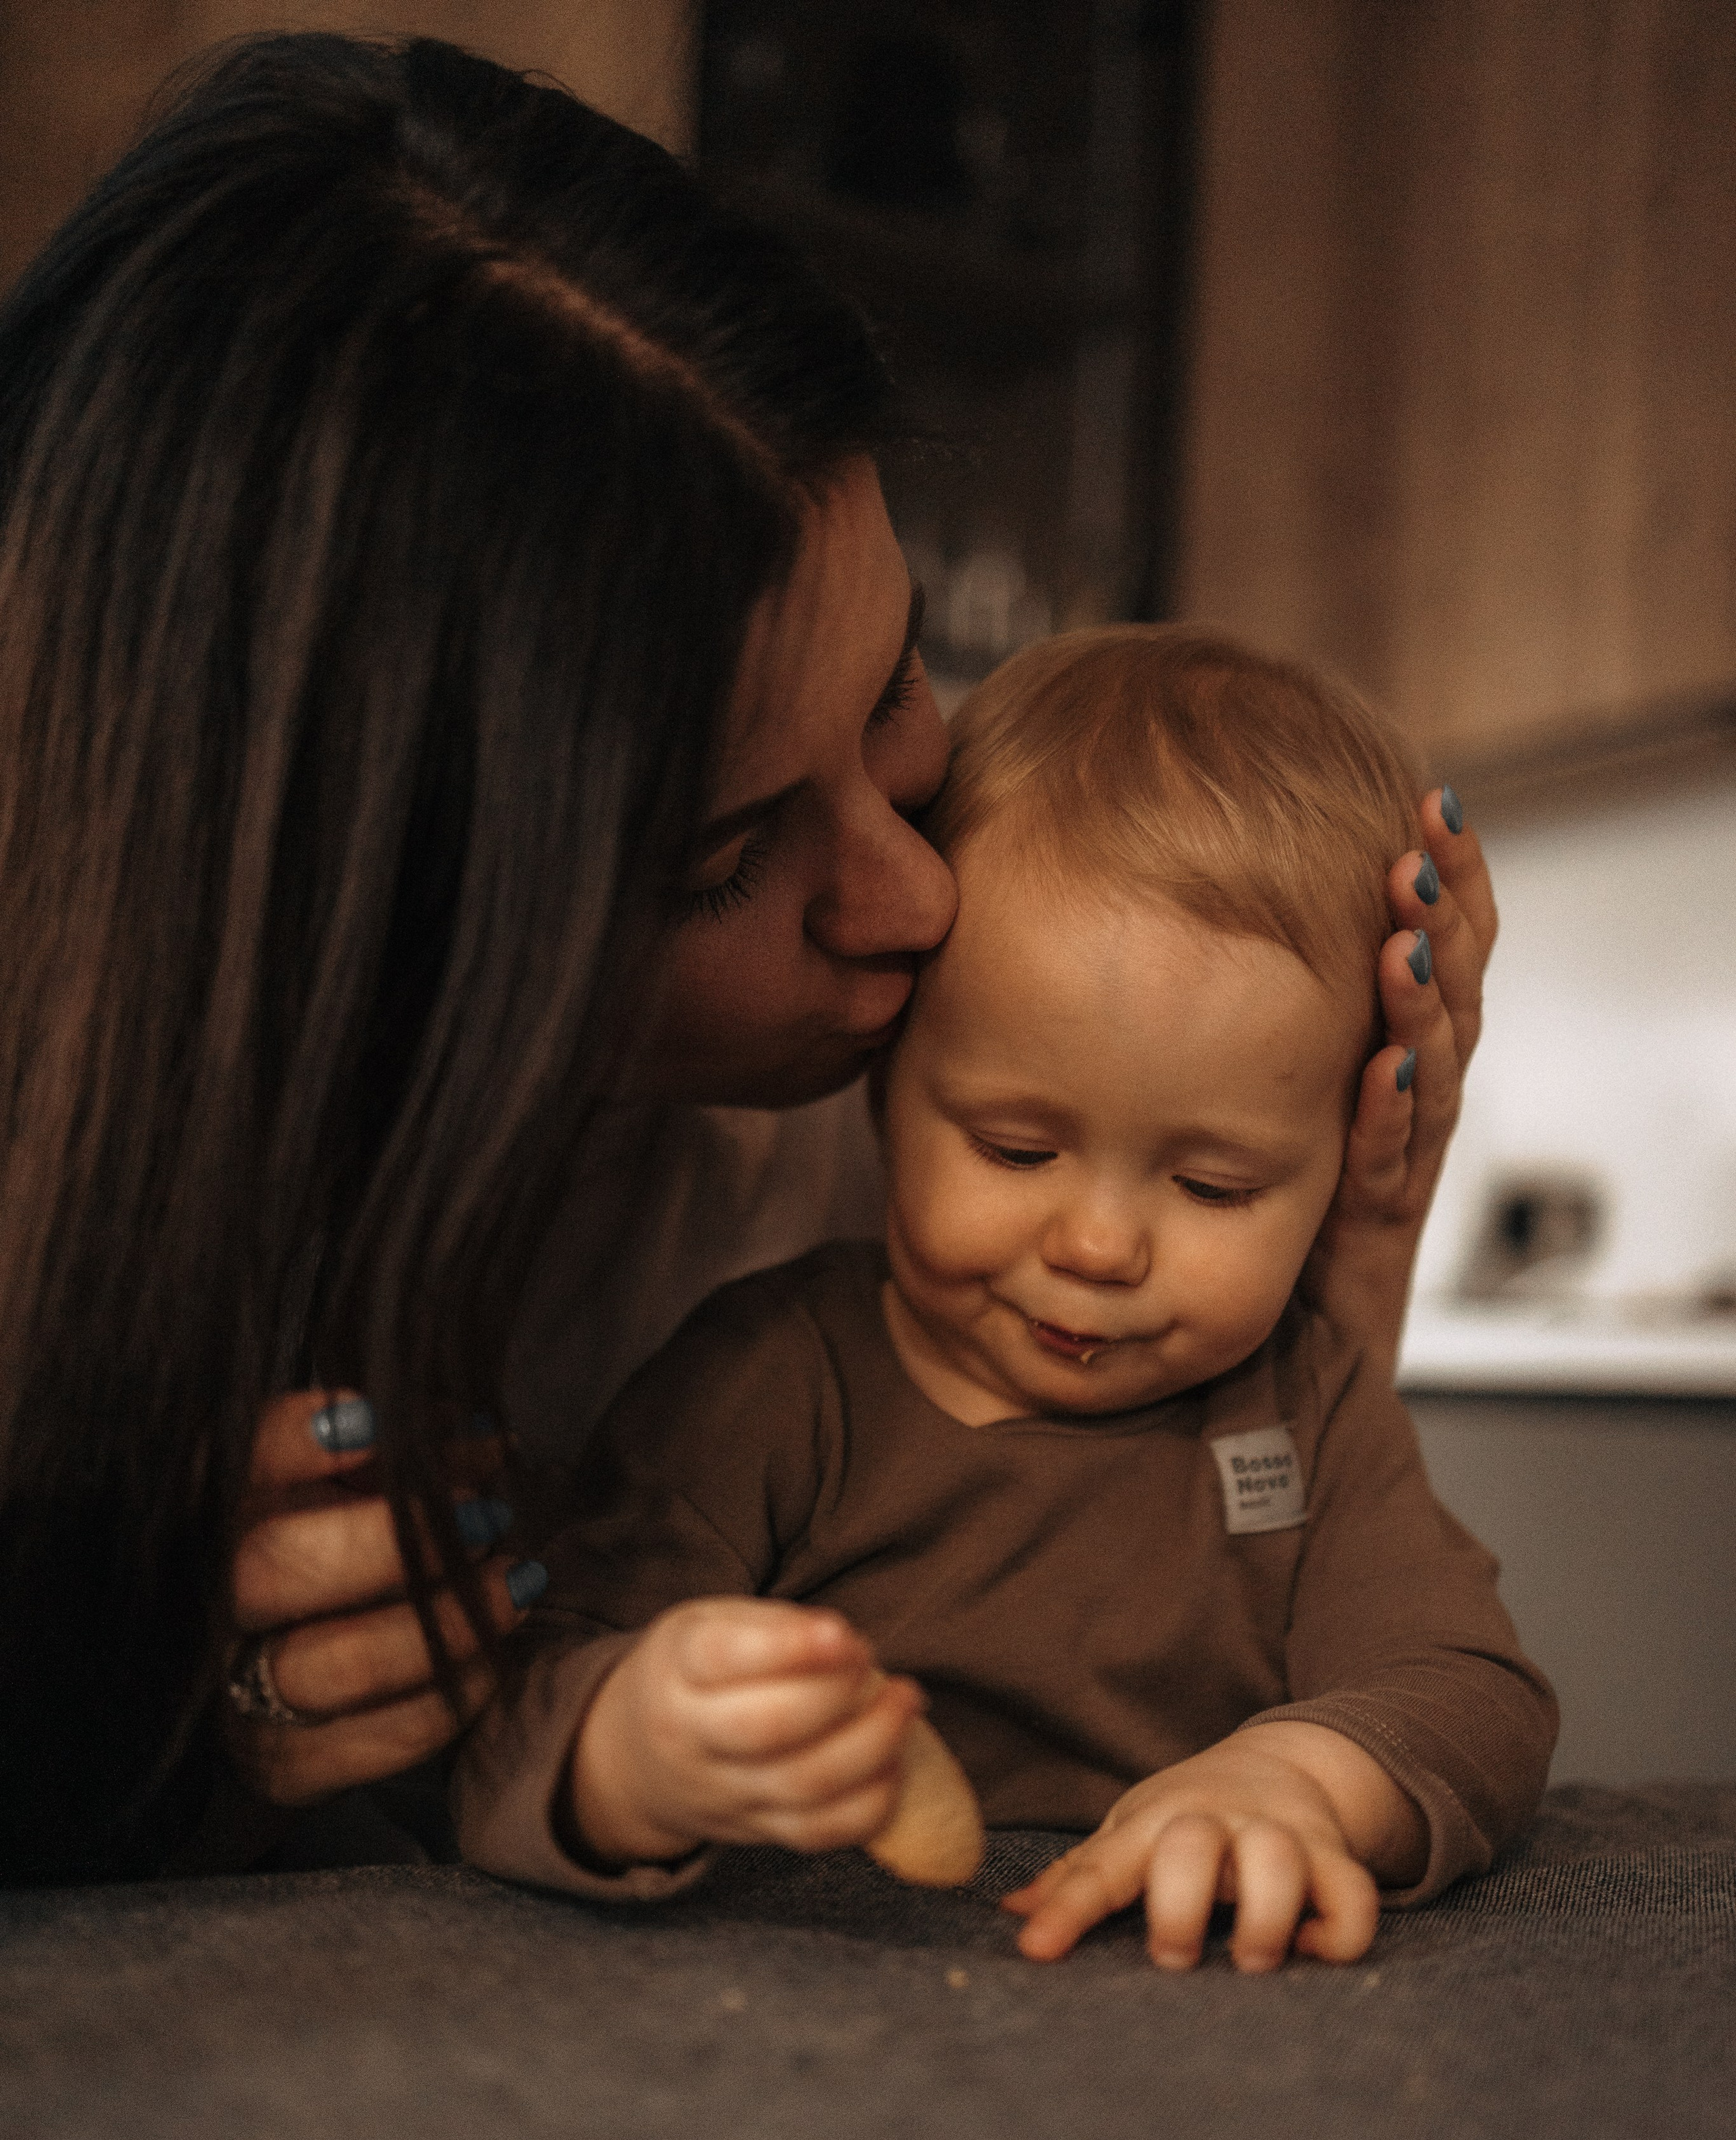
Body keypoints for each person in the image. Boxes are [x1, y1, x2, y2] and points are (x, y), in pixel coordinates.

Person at [0, 35, 1493, 1888]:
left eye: (894, 686)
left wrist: (1326, 1278)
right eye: (718, 858)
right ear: (377, 944)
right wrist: (114, 1705)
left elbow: (1309, 1603)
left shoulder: (883, 1079)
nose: (913, 904)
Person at [453, 627, 1555, 1972]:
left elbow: (1467, 1690)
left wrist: (1294, 1783)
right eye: (1015, 1149)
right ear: (884, 1092)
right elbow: (517, 1713)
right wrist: (625, 1750)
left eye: (1211, 1185)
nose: (1096, 1245)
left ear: (1344, 1159)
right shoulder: (766, 1383)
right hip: (799, 2021)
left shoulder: (1303, 1407)